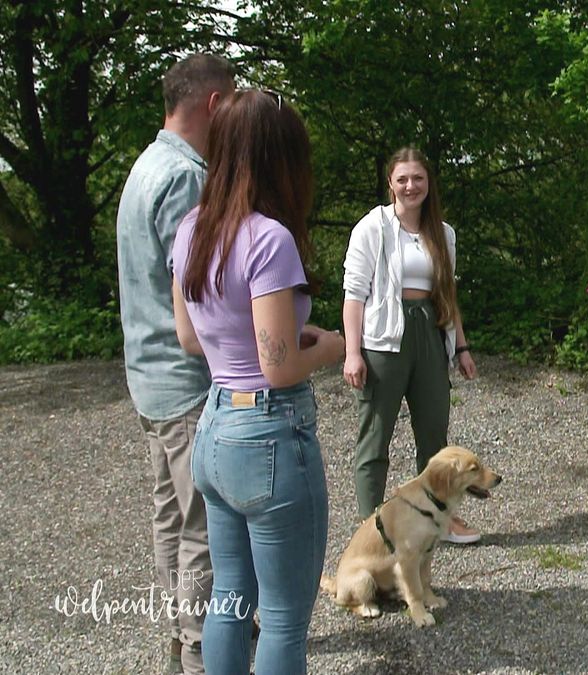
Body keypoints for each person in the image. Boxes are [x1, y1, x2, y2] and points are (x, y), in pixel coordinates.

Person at [172, 89, 344, 674]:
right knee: (285, 617)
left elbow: (193, 338)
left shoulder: (191, 228)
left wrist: (273, 341)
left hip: (215, 425)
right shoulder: (269, 238)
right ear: (281, 159)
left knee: (229, 599)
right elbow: (277, 365)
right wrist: (333, 349)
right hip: (269, 434)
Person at [115, 53, 234, 675]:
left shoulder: (144, 165)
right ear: (213, 105)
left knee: (169, 516)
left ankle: (179, 632)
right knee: (203, 529)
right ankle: (200, 650)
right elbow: (198, 300)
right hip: (186, 385)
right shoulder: (187, 177)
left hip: (147, 379)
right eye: (232, 103)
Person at [342, 147, 480, 543]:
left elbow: (448, 293)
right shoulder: (373, 228)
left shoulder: (443, 233)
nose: (410, 186)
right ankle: (373, 530)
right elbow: (354, 292)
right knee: (375, 436)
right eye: (402, 178)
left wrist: (463, 347)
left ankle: (440, 519)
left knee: (435, 435)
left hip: (430, 334)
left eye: (417, 178)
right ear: (390, 183)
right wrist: (353, 352)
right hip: (384, 340)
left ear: (428, 182)